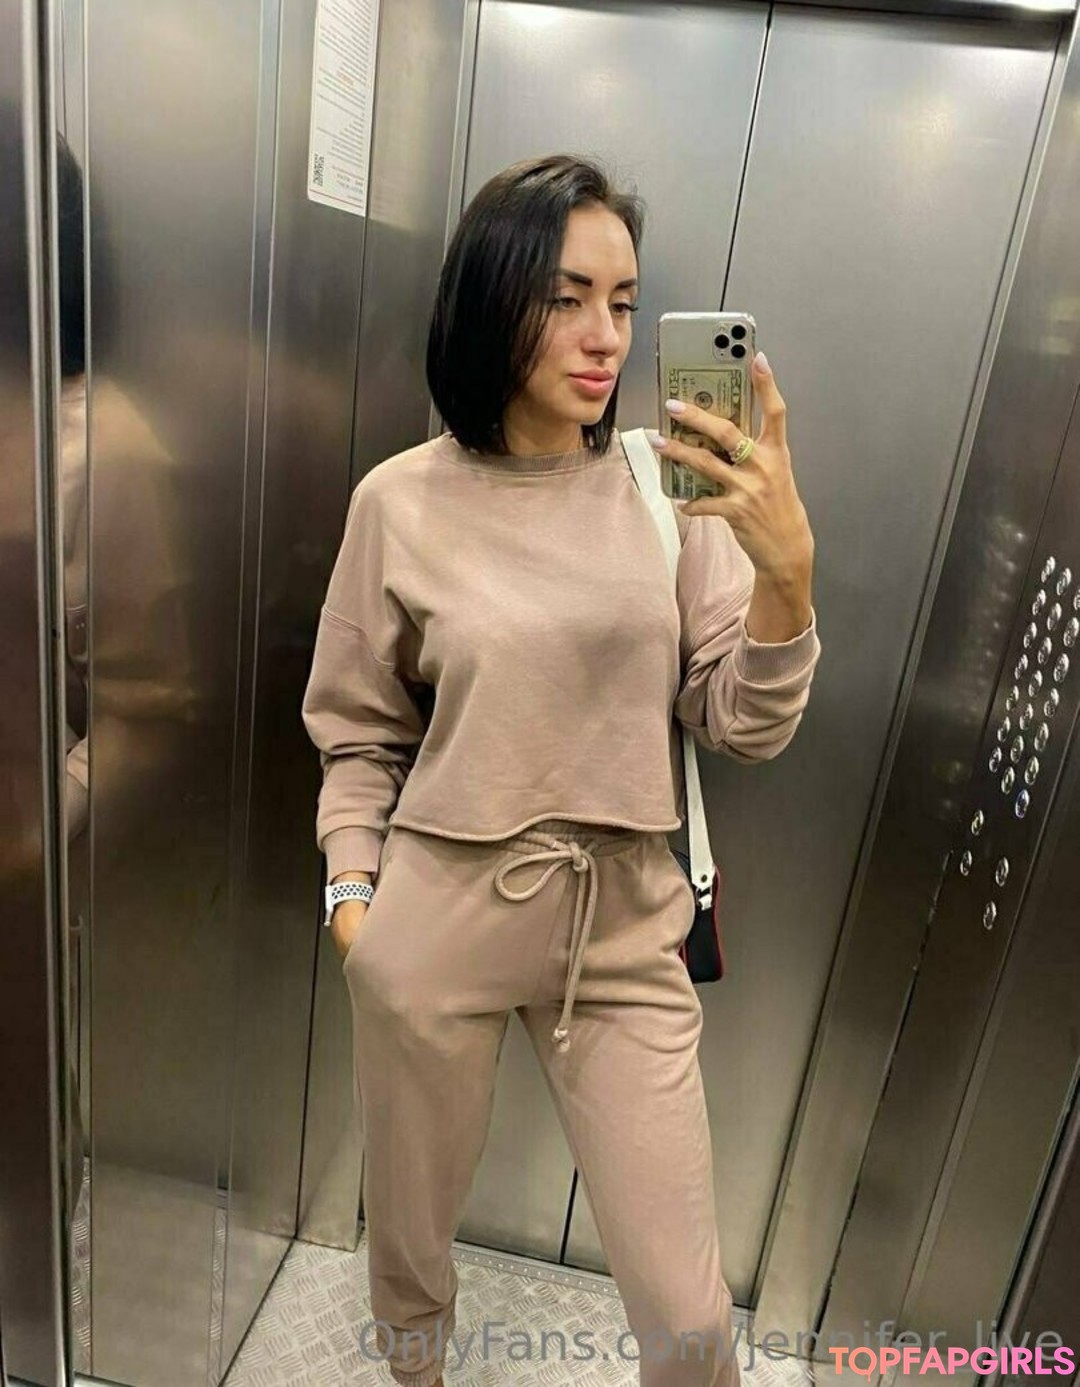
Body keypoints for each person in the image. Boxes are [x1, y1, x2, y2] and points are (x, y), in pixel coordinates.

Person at [302, 153, 822, 1387]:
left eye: (624, 301)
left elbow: (739, 723)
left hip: (626, 920)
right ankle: (414, 1375)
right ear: (492, 300)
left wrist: (787, 576)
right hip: (441, 908)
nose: (606, 337)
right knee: (410, 1234)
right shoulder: (399, 502)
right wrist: (354, 897)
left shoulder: (666, 489)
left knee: (690, 1315)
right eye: (566, 297)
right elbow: (358, 727)